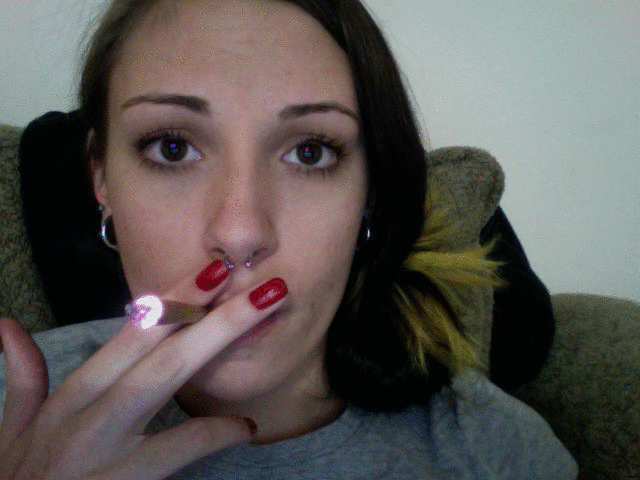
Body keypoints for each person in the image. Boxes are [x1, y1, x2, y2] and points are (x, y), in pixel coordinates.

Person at [0, 0, 577, 478]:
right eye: (173, 148)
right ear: (102, 179)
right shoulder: (14, 413)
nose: (240, 234)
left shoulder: (498, 451)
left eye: (310, 152)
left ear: (370, 194)